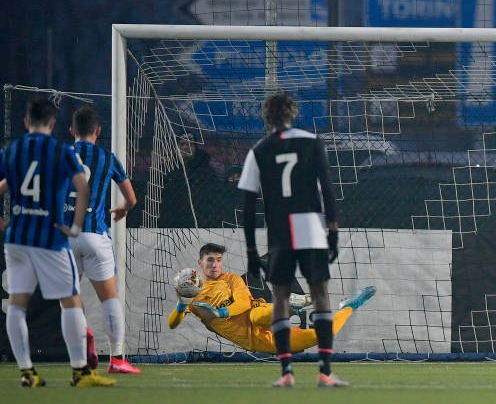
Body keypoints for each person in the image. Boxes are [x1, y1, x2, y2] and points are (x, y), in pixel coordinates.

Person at [237, 93, 362, 388]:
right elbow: (328, 190)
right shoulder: (311, 141)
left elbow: (247, 206)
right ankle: (324, 371)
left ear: (266, 117)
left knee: (280, 297)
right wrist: (333, 231)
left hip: (279, 231)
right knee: (320, 294)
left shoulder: (259, 150)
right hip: (310, 228)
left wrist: (252, 249)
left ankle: (286, 373)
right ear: (292, 113)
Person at [1, 97, 115, 387]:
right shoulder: (61, 152)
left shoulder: (12, 151)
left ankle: (27, 372)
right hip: (50, 238)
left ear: (26, 123)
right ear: (53, 125)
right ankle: (80, 372)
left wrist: (4, 224)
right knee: (71, 300)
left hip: (17, 240)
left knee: (17, 304)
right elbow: (82, 189)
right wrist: (75, 227)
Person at [168, 243, 374, 356]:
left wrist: (219, 313)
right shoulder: (193, 295)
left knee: (256, 313)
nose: (215, 265)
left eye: (218, 260)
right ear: (200, 263)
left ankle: (291, 306)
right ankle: (347, 306)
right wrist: (181, 305)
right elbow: (172, 324)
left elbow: (242, 303)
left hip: (258, 313)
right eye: (210, 260)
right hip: (258, 340)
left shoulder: (230, 279)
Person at [64, 105, 140, 374]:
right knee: (110, 299)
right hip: (95, 237)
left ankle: (82, 345)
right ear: (98, 131)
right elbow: (131, 199)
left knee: (68, 301)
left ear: (72, 131)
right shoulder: (108, 158)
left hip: (63, 240)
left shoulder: (59, 156)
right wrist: (122, 208)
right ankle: (117, 359)